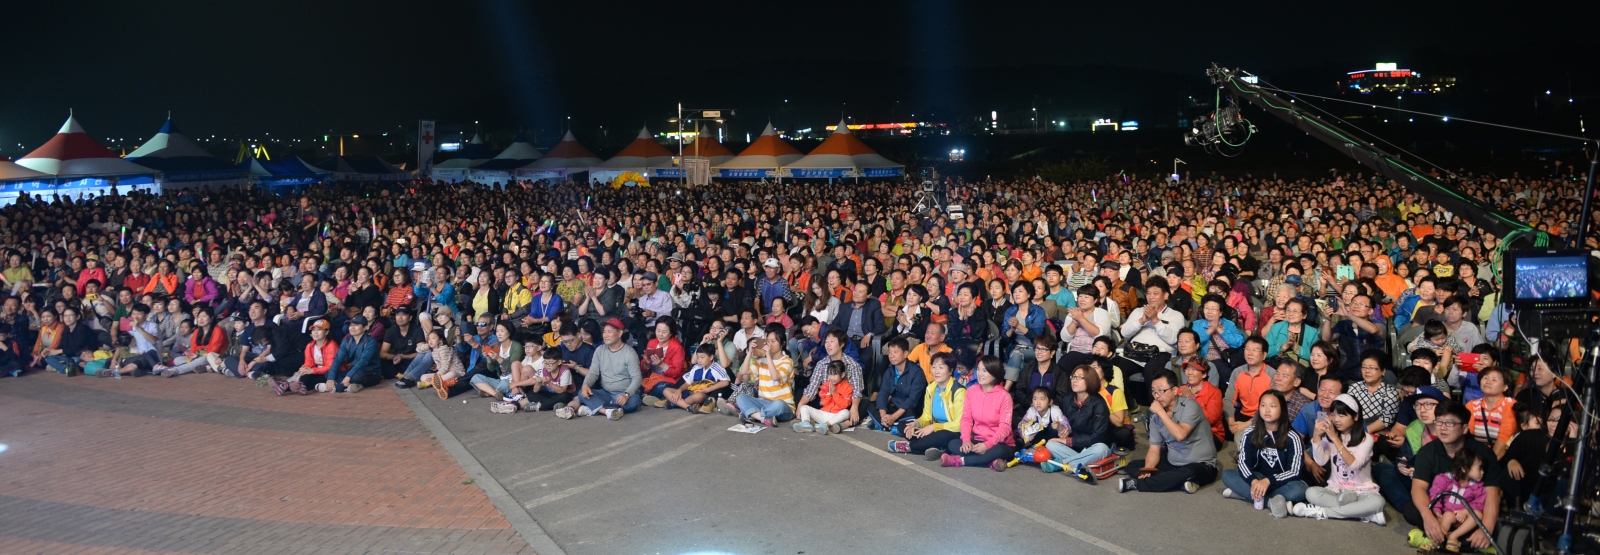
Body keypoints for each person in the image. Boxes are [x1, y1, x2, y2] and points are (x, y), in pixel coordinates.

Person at [1290, 394, 1386, 525]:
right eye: (1334, 415)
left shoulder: (1365, 438)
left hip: (1361, 491)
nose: (1337, 419)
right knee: (1311, 493)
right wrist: (1317, 436)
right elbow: (1321, 461)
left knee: (1378, 502)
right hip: (1337, 490)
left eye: (1342, 415)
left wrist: (1335, 438)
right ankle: (1363, 515)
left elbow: (1354, 465)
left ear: (1356, 416)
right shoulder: (1330, 435)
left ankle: (1320, 512)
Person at [1118, 369, 1218, 494]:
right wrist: (1148, 468)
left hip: (1201, 464)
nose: (1157, 395)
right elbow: (1154, 449)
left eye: (1161, 391)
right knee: (1133, 465)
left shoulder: (1190, 406)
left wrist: (1161, 412)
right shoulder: (1155, 418)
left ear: (1175, 390)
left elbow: (1180, 435)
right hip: (1173, 463)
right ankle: (1181, 482)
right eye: (1154, 391)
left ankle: (1137, 484)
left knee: (1189, 471)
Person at [1220, 390, 1308, 518]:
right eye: (1263, 405)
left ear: (1282, 409)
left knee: (1298, 490)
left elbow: (1294, 472)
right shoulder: (1250, 432)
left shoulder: (1292, 437)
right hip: (1258, 477)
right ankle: (1270, 502)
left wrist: (1269, 481)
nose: (1267, 410)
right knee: (1228, 475)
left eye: (1272, 406)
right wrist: (1254, 481)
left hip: (1281, 481)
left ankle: (1244, 494)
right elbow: (1243, 462)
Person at [932, 356, 1017, 470]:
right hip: (977, 440)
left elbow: (1005, 428)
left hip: (999, 443)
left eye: (985, 370)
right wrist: (966, 440)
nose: (980, 374)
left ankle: (959, 460)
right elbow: (966, 418)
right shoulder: (972, 391)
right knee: (953, 443)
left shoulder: (1004, 396)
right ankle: (989, 462)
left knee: (999, 451)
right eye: (979, 369)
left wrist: (987, 445)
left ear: (995, 372)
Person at [560, 318, 642, 420]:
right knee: (582, 394)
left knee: (634, 402)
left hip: (624, 393)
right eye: (604, 332)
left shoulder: (629, 352)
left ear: (620, 333)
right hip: (606, 393)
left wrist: (626, 395)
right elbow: (593, 373)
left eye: (609, 332)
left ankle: (594, 408)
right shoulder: (600, 350)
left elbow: (637, 378)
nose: (606, 335)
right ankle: (607, 410)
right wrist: (586, 385)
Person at [887, 352, 966, 458]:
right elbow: (926, 417)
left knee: (941, 435)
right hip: (934, 429)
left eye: (941, 367)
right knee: (904, 425)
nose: (936, 371)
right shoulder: (931, 388)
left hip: (953, 432)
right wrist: (917, 424)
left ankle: (910, 446)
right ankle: (937, 448)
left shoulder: (959, 391)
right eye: (934, 367)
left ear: (950, 370)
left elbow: (959, 425)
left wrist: (934, 427)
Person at [1114, 281, 1184, 399]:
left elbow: (1173, 339)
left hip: (1161, 354)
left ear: (1166, 295)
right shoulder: (1138, 311)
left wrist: (1155, 320)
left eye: (1155, 293)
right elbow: (1124, 332)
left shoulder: (1176, 315)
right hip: (1136, 352)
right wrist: (1141, 321)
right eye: (1148, 293)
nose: (1151, 297)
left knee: (1152, 371)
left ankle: (1156, 410)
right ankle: (1129, 406)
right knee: (1114, 368)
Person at [1043, 365, 1112, 484]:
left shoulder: (1098, 404)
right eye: (1073, 377)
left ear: (1090, 381)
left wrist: (1068, 441)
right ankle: (1079, 462)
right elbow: (1066, 422)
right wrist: (1064, 428)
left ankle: (1061, 464)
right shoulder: (1068, 398)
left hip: (1092, 446)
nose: (1074, 380)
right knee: (1050, 444)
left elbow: (1097, 437)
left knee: (1102, 448)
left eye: (1080, 378)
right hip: (1075, 448)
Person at [721, 323, 794, 427]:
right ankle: (763, 418)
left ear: (782, 343)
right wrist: (749, 352)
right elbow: (744, 371)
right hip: (763, 402)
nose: (770, 344)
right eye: (767, 341)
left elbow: (776, 377)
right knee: (741, 398)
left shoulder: (787, 361)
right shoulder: (761, 361)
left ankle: (752, 414)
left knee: (779, 404)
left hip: (784, 406)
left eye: (773, 341)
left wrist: (768, 355)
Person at [1427, 448, 1490, 553]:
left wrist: (1465, 512)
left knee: (1478, 515)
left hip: (1465, 520)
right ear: (1465, 468)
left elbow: (1479, 504)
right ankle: (1437, 540)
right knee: (1448, 515)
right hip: (1447, 516)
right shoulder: (1445, 479)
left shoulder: (1478, 487)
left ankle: (1453, 537)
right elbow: (1435, 494)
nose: (1482, 472)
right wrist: (1437, 510)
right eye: (1479, 468)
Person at [873, 337, 926, 434]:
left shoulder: (917, 373)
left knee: (912, 413)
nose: (891, 355)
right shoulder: (890, 371)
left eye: (895, 352)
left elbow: (912, 400)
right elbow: (883, 392)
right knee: (871, 405)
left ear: (905, 353)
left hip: (908, 409)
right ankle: (887, 423)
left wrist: (893, 417)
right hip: (895, 406)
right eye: (890, 352)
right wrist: (883, 415)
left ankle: (885, 424)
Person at [661, 344, 730, 413]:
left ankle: (675, 403)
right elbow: (687, 383)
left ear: (711, 357)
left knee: (698, 397)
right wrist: (679, 391)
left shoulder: (716, 368)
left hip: (702, 394)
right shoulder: (696, 367)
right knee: (666, 390)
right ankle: (687, 406)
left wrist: (708, 389)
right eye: (698, 357)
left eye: (702, 357)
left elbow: (725, 382)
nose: (699, 360)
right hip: (690, 391)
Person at [320, 315, 380, 393]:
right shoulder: (347, 341)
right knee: (328, 374)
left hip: (370, 372)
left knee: (356, 377)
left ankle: (337, 387)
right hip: (353, 371)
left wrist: (348, 376)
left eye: (356, 325)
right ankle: (350, 386)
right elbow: (337, 359)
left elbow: (363, 361)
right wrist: (330, 378)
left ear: (365, 327)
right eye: (351, 325)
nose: (352, 327)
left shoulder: (371, 341)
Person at [793, 360, 854, 435]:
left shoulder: (847, 387)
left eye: (835, 375)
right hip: (824, 413)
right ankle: (806, 424)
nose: (831, 378)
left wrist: (834, 393)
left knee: (846, 413)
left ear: (842, 375)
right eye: (830, 375)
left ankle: (825, 425)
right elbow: (823, 403)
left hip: (836, 416)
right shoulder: (827, 384)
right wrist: (828, 394)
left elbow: (845, 405)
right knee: (804, 407)